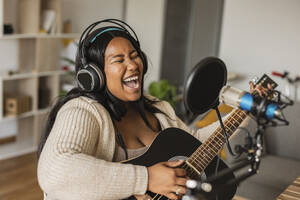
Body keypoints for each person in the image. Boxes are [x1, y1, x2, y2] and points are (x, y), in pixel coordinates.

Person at [37, 19, 271, 200]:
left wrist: (246, 109)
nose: (132, 65)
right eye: (118, 60)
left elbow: (195, 144)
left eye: (134, 55)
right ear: (94, 76)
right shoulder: (82, 111)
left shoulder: (158, 108)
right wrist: (146, 178)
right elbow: (56, 171)